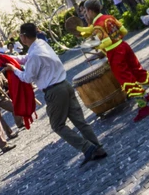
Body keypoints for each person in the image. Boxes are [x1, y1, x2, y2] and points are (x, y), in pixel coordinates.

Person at [12, 22, 107, 165]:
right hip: (64, 84)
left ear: (24, 37)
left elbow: (27, 77)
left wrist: (13, 70)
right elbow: (27, 58)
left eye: (20, 35)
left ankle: (88, 148)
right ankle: (98, 147)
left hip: (54, 91)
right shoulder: (41, 44)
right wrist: (10, 59)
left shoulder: (35, 54)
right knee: (80, 121)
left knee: (57, 125)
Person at [77, 0, 149, 122]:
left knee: (126, 78)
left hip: (114, 53)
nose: (86, 14)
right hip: (124, 46)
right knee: (137, 69)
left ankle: (143, 106)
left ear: (90, 11)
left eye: (86, 11)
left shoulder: (98, 25)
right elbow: (124, 31)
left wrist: (95, 46)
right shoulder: (109, 17)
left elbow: (107, 42)